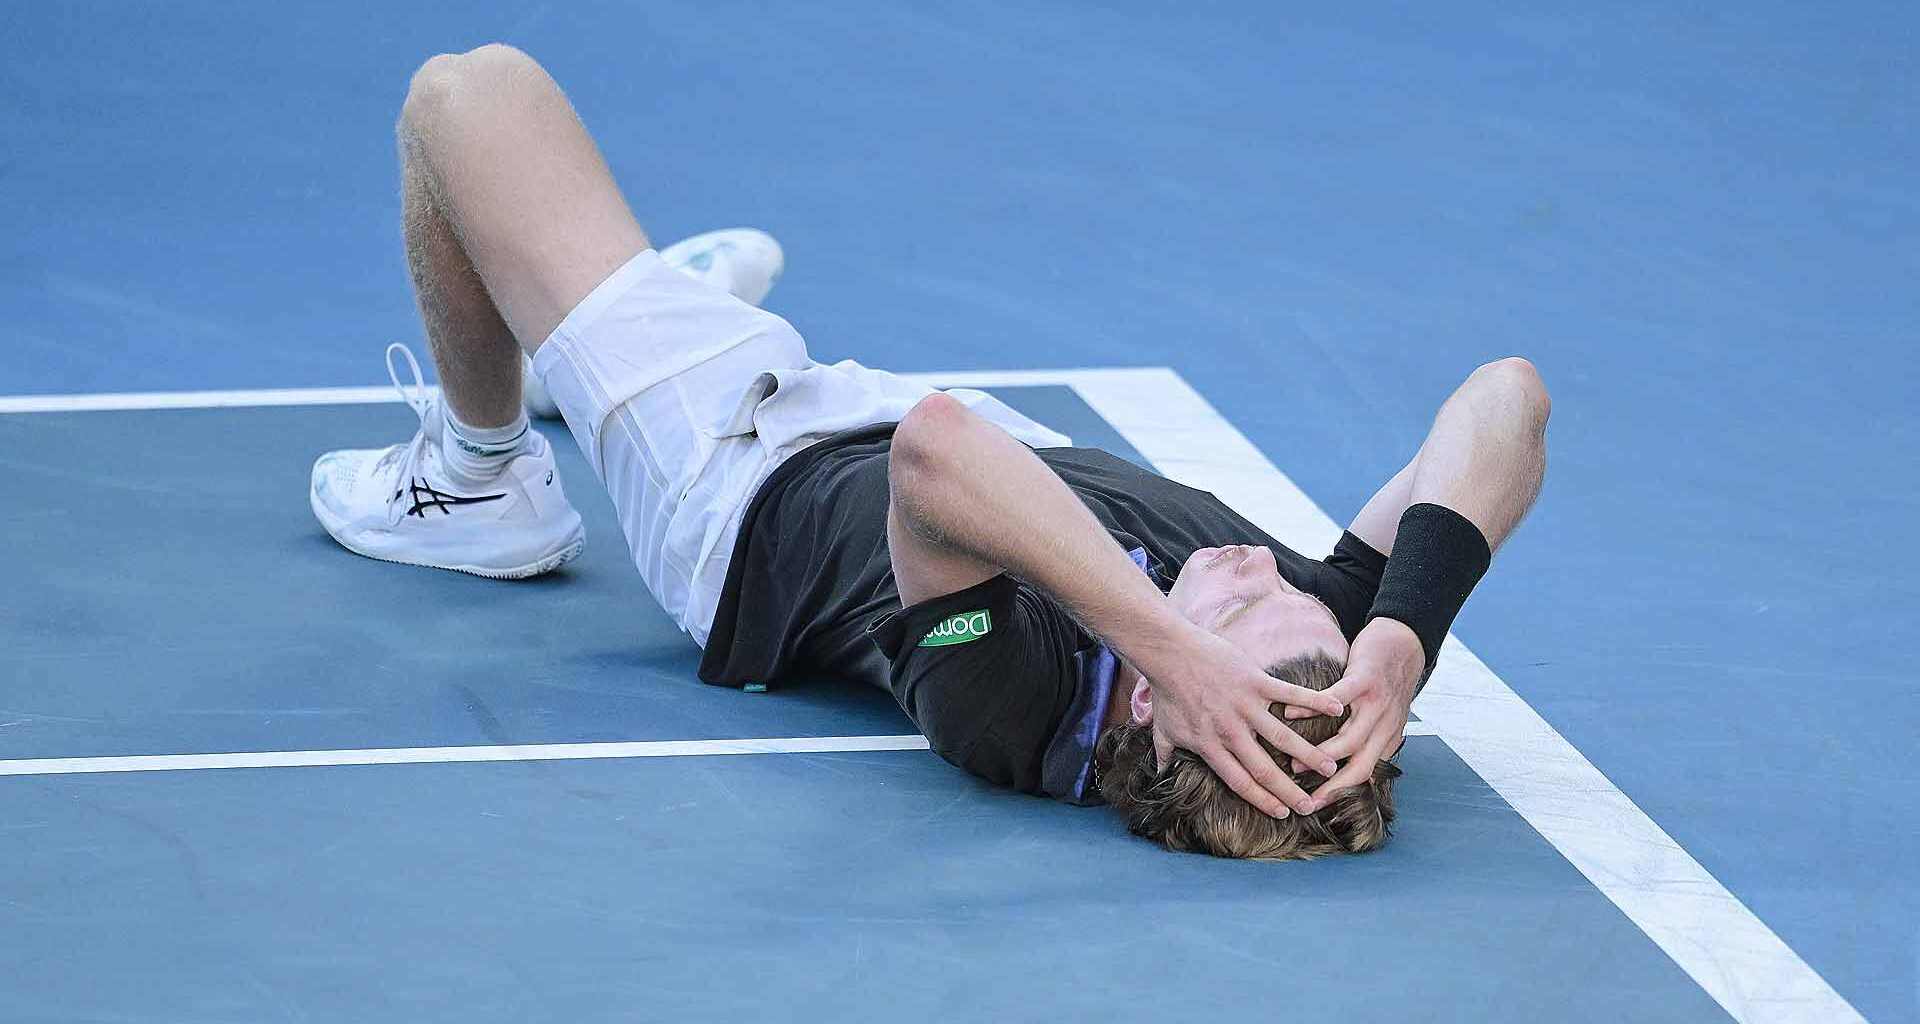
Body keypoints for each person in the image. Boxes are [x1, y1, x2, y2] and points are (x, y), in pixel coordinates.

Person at [311, 45, 1550, 859]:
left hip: (742, 471)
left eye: (1233, 612)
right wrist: (1403, 634)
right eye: (1294, 597)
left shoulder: (1012, 705)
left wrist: (1169, 641)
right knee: (563, 245)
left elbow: (937, 450)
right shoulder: (1318, 662)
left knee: (467, 100)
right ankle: (615, 318)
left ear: (1164, 705)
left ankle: (479, 477)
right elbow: (1506, 402)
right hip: (872, 419)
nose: (1258, 565)